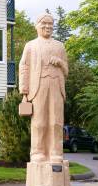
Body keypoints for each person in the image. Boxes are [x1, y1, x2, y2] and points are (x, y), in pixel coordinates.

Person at [19, 13, 68, 163]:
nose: (47, 27)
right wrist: (24, 91)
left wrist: (60, 62)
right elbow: (24, 67)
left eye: (50, 24)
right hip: (38, 87)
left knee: (56, 121)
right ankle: (37, 152)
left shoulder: (60, 46)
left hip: (56, 86)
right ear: (37, 26)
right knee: (39, 121)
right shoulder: (31, 45)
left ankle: (55, 152)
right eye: (44, 24)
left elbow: (66, 70)